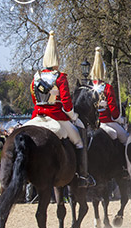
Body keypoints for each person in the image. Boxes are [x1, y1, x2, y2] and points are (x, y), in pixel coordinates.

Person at [29, 31, 94, 188]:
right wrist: (73, 115)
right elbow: (66, 102)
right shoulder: (60, 77)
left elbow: (34, 99)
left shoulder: (35, 78)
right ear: (57, 60)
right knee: (79, 141)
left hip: (37, 115)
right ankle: (83, 176)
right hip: (56, 116)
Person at [90, 47, 128, 145]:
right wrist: (119, 119)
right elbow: (113, 109)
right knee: (125, 138)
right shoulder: (107, 87)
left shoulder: (88, 87)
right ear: (104, 72)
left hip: (91, 123)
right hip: (106, 122)